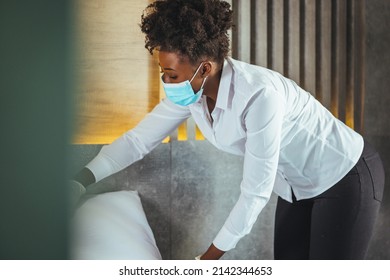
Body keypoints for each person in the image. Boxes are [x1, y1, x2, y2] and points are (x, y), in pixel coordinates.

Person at [71, 0, 385, 260]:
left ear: (204, 68)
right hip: (295, 185)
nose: (166, 82)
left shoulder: (260, 95)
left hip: (346, 176)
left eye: (170, 74)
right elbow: (138, 140)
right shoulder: (191, 92)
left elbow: (254, 193)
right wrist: (80, 180)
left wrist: (206, 260)